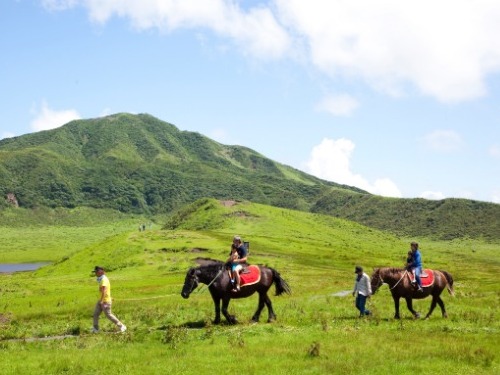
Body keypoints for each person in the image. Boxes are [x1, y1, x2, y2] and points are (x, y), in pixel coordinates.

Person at [92, 266, 127, 333]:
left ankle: (122, 326)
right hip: (101, 300)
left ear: (100, 272)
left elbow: (104, 291)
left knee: (108, 315)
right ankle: (95, 329)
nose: (95, 273)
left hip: (105, 301)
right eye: (95, 272)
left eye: (96, 272)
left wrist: (102, 301)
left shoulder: (104, 280)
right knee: (95, 314)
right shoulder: (101, 279)